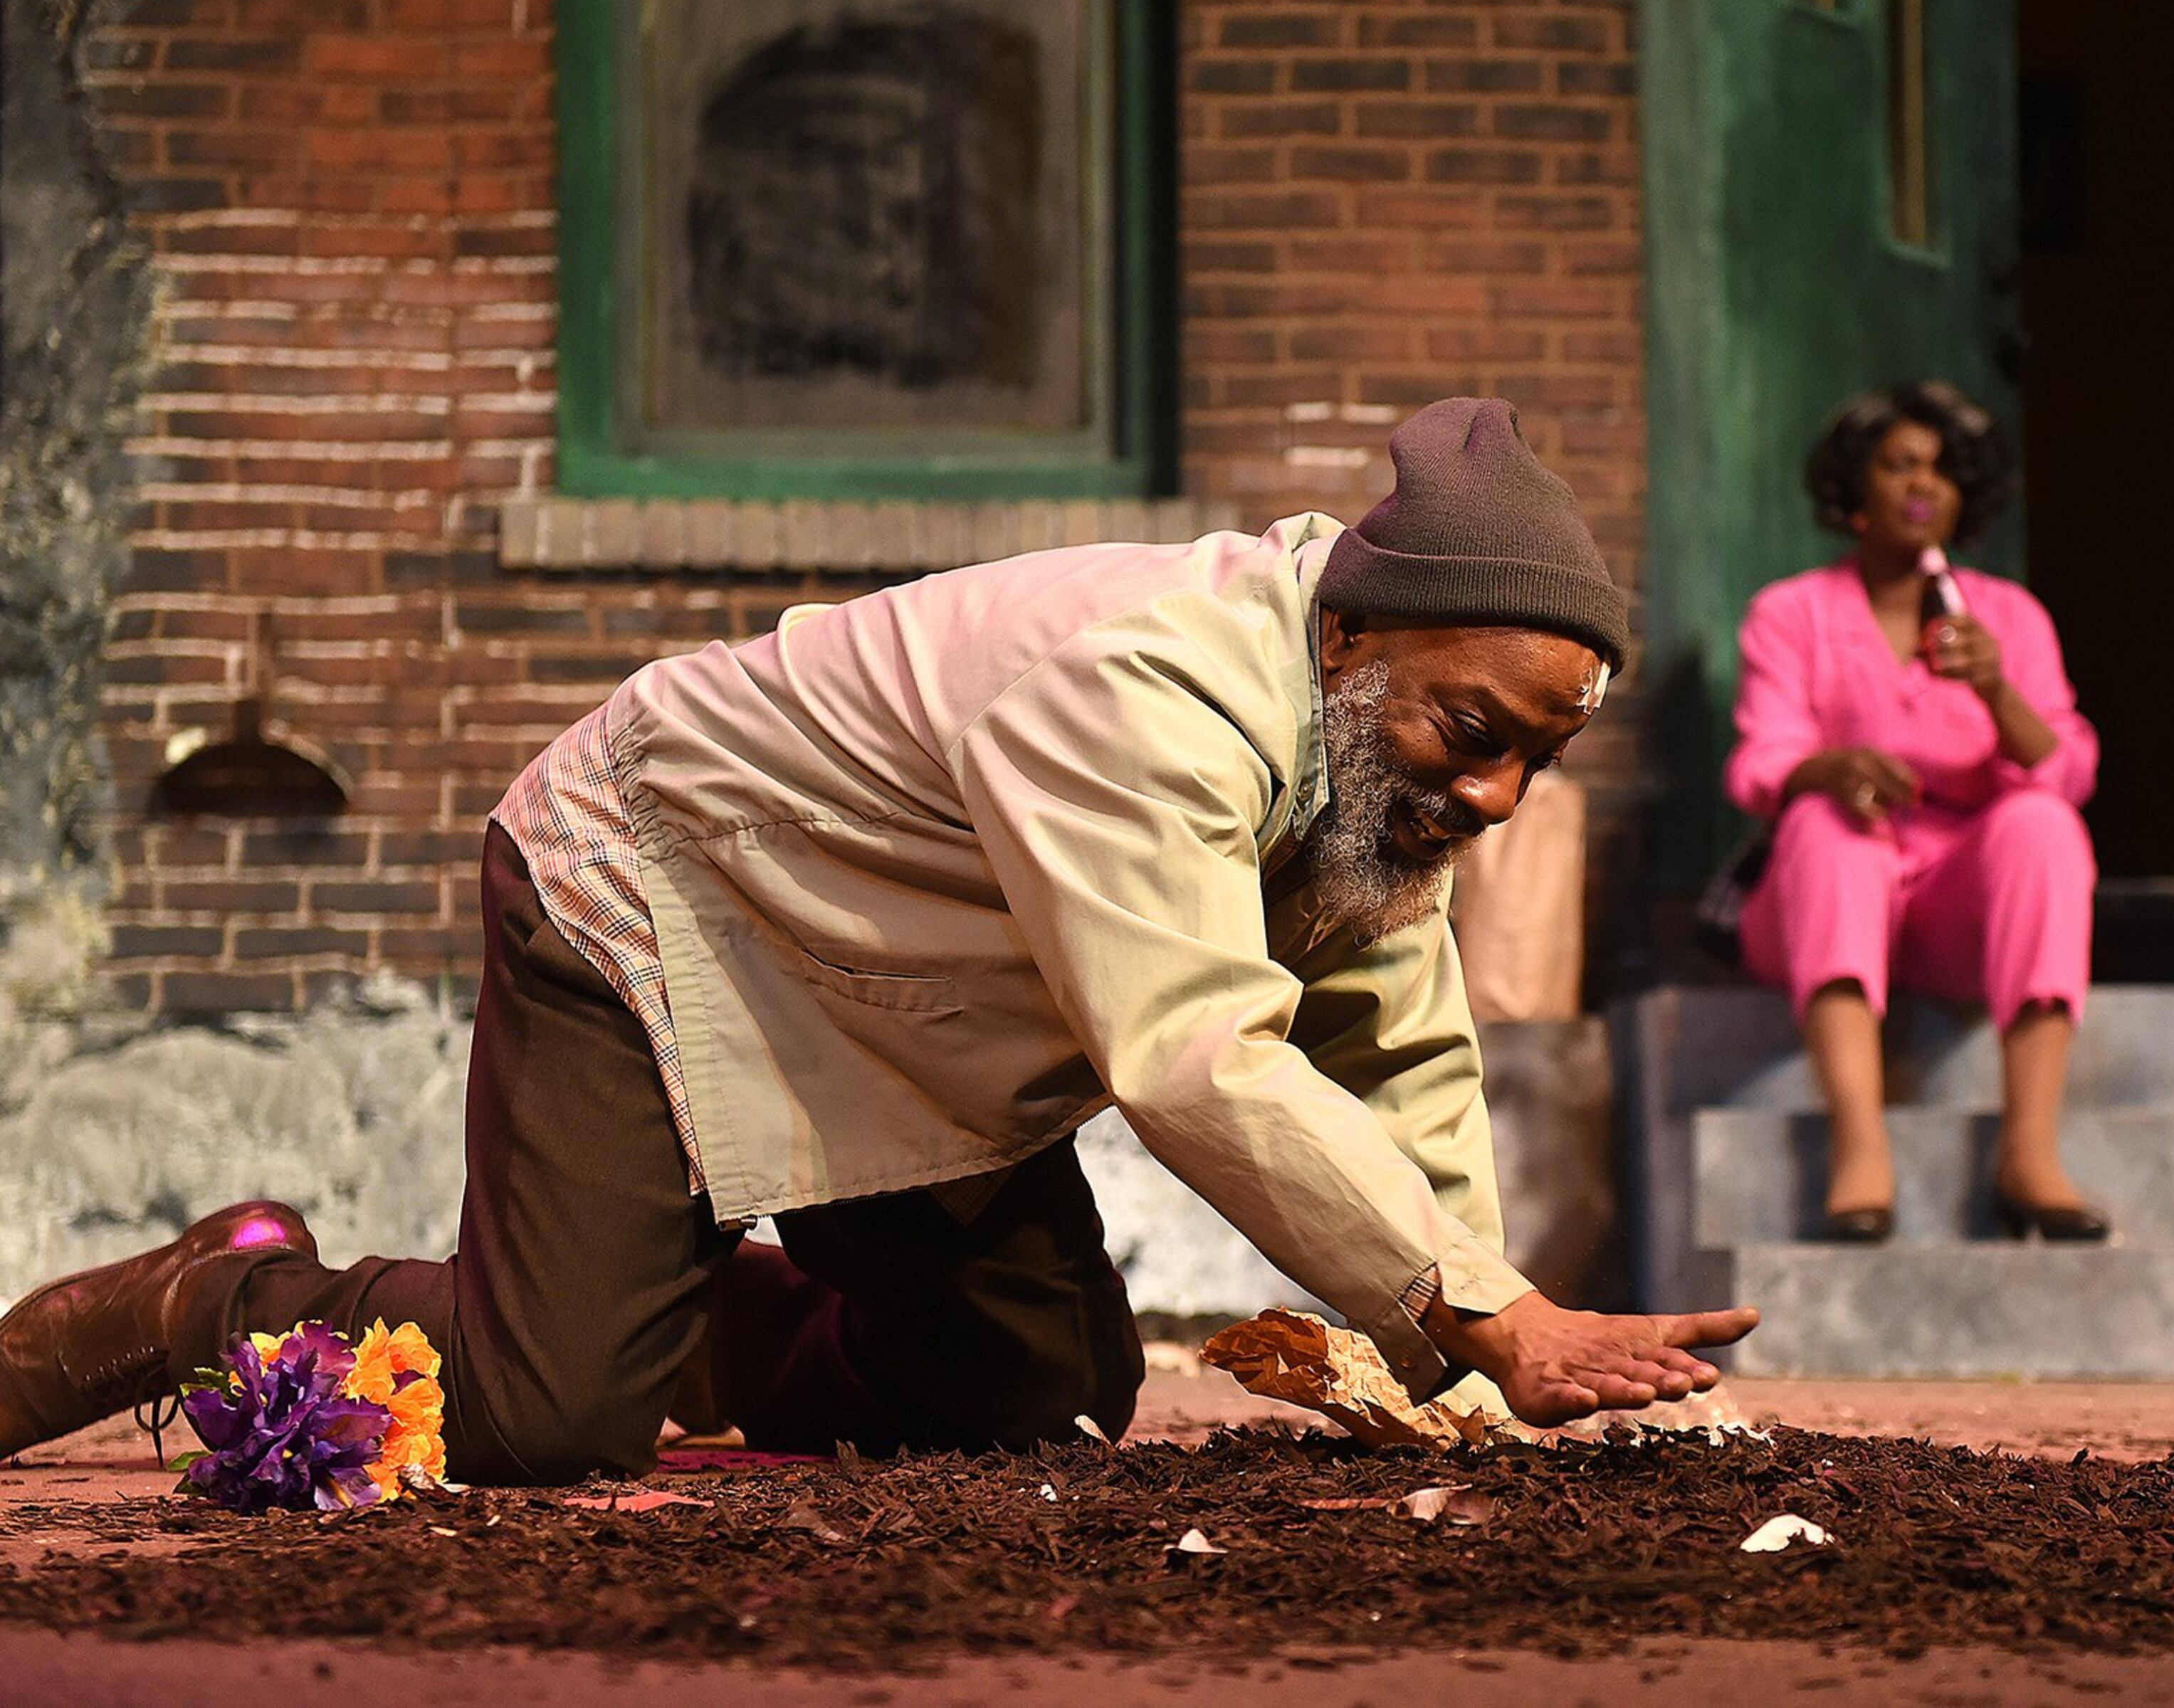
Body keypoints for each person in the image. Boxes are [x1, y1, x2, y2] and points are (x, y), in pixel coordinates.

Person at [0, 398, 1757, 1480]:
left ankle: (639, 1311)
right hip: (662, 889)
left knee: (1041, 1391)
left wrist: (1472, 1345)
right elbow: (1192, 1052)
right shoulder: (1152, 689)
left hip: (897, 987)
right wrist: (1492, 1311)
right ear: (1356, 630)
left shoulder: (1376, 749)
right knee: (543, 1431)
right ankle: (210, 1294)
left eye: (1549, 751)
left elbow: (1401, 1046)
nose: (1508, 793)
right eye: (1482, 733)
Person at [1724, 383, 2109, 1243]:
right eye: (1898, 465)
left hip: (1955, 909)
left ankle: (2030, 1151)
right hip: (1825, 894)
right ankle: (1861, 1144)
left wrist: (1996, 687)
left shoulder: (2007, 616)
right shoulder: (1792, 614)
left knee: (2045, 825)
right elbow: (1759, 766)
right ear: (1856, 491)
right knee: (1829, 825)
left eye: (1942, 470)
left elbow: (2069, 768)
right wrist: (1828, 768)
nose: (1920, 485)